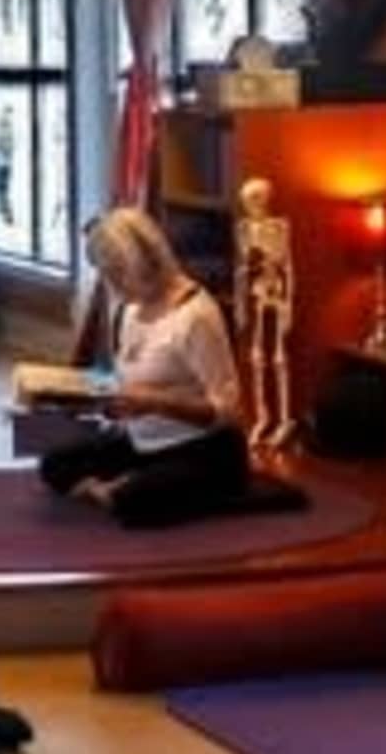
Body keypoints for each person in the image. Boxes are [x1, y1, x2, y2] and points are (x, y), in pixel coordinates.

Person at [34, 209, 253, 530]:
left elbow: (228, 413)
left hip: (201, 449)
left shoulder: (197, 316)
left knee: (136, 502)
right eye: (106, 274)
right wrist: (83, 394)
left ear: (146, 263)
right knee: (54, 464)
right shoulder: (127, 306)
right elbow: (124, 381)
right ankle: (118, 487)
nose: (113, 284)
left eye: (118, 273)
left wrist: (155, 402)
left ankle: (124, 489)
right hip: (141, 442)